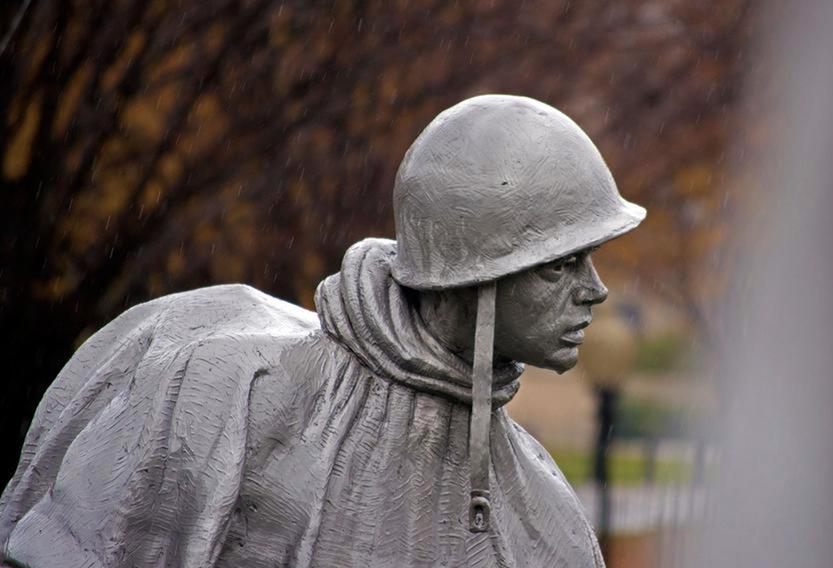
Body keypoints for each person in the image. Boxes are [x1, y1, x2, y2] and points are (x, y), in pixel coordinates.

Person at [0, 95, 645, 567]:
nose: (596, 290)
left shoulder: (544, 511)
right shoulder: (229, 396)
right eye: (560, 266)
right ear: (477, 274)